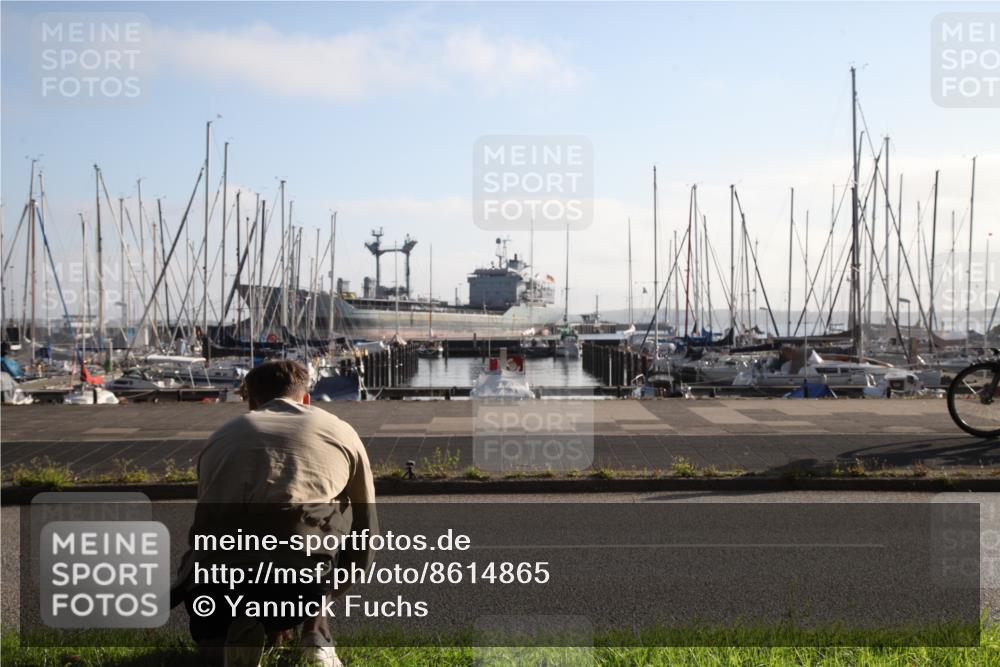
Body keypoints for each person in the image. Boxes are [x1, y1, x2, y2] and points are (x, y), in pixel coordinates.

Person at [172, 360, 377, 667]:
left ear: (251, 402)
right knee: (336, 509)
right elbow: (367, 529)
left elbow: (202, 528)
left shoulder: (220, 437)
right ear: (306, 398)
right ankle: (315, 635)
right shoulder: (340, 430)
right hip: (299, 588)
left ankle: (222, 637)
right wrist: (333, 590)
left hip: (212, 593)